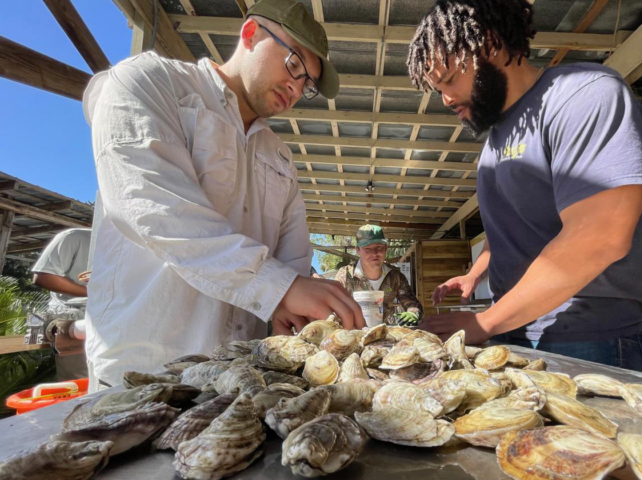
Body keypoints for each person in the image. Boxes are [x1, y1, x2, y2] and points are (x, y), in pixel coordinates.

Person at [81, 0, 364, 389]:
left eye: (307, 84)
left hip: (242, 377)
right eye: (295, 65)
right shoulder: (150, 82)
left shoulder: (280, 158)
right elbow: (157, 210)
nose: (296, 88)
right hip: (145, 370)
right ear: (250, 33)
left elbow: (294, 259)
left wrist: (290, 308)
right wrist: (279, 288)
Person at [409, 0, 642, 374]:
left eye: (448, 81)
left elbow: (601, 234)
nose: (445, 99)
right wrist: (475, 273)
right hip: (514, 337)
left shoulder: (584, 94)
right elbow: (511, 230)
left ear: (490, 43)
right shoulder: (494, 140)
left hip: (590, 341)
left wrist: (484, 323)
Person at [31, 228, 91, 379]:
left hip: (113, 318)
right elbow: (44, 277)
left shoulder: (135, 246)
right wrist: (95, 293)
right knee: (82, 388)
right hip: (73, 319)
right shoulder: (75, 237)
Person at [335, 225, 423, 326]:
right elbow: (333, 306)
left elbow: (411, 302)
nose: (374, 253)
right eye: (367, 248)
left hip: (385, 335)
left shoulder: (395, 276)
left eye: (379, 247)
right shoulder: (345, 275)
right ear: (358, 250)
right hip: (355, 335)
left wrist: (413, 313)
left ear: (385, 248)